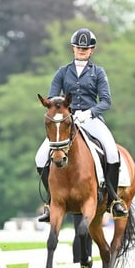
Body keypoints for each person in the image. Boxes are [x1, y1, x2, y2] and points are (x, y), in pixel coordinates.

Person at [35, 28, 128, 222]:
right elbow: (52, 97)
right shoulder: (62, 72)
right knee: (40, 157)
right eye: (78, 48)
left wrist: (89, 113)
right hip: (66, 122)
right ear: (73, 48)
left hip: (91, 119)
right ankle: (50, 202)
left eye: (85, 49)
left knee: (111, 151)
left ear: (91, 50)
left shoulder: (98, 72)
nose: (81, 51)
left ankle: (113, 199)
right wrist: (64, 112)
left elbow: (106, 101)